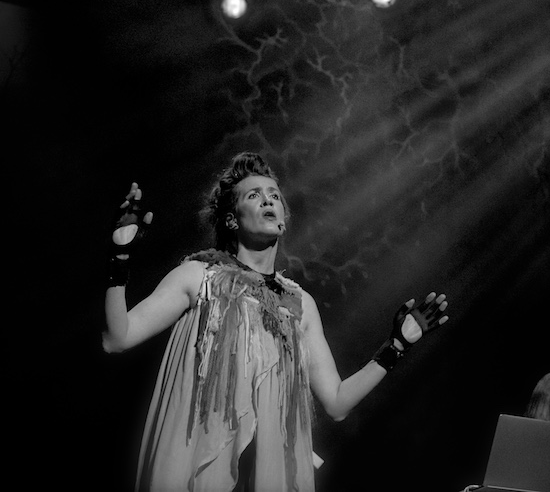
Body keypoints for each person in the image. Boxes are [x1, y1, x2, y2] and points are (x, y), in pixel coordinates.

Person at [102, 152, 449, 491]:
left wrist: (397, 347)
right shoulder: (199, 277)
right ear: (232, 219)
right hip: (199, 467)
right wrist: (120, 259)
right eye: (254, 195)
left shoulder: (299, 305)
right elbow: (117, 338)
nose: (268, 201)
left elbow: (337, 402)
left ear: (283, 217)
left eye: (274, 196)